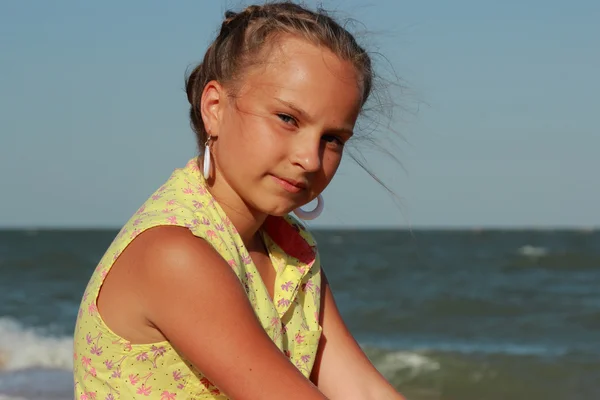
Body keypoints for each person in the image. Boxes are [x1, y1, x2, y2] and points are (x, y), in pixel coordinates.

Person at [73, 2, 405, 399]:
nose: (310, 158)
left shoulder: (290, 253)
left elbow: (364, 392)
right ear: (214, 108)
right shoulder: (176, 253)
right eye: (288, 119)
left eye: (332, 138)